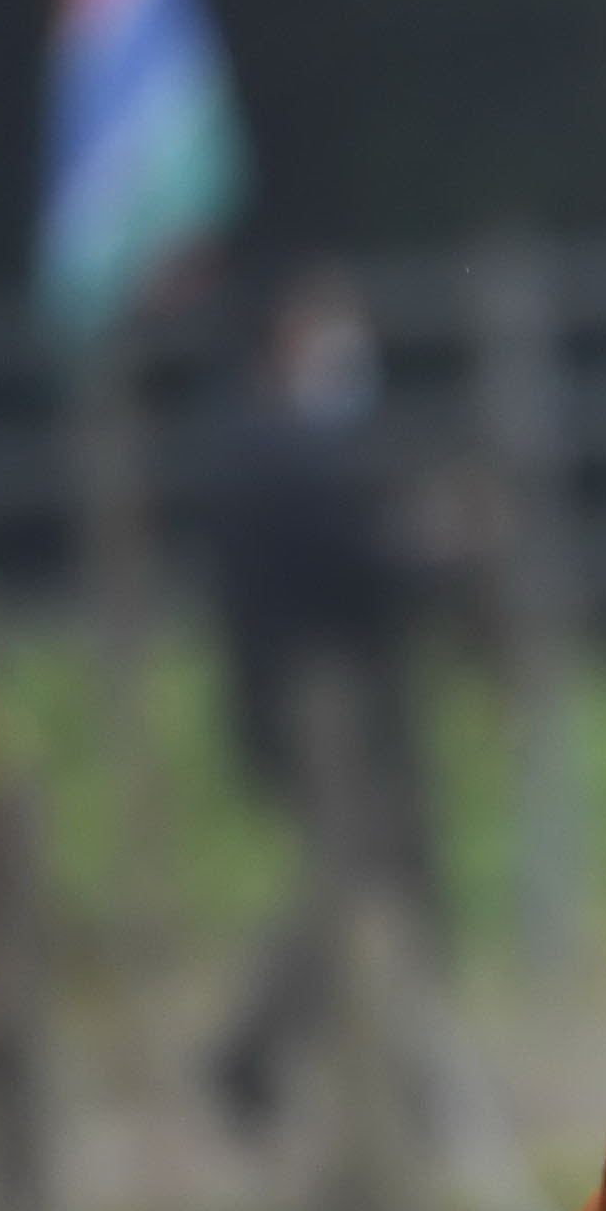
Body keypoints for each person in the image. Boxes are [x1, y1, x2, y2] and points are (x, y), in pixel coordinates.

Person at [199, 262, 433, 1132]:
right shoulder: (280, 450)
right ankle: (254, 1053)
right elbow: (357, 560)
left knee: (359, 878)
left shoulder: (255, 442)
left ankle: (300, 1059)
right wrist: (431, 546)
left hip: (296, 697)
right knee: (355, 876)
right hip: (316, 702)